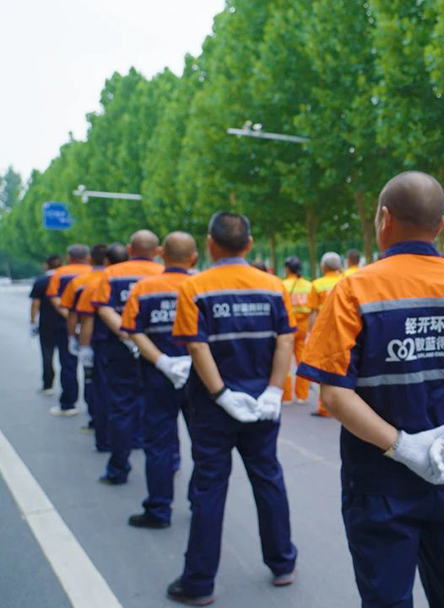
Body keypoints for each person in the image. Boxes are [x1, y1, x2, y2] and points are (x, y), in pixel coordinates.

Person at [298, 171, 444, 607]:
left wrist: (401, 446)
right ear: (441, 224)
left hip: (379, 481)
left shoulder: (353, 289)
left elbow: (334, 394)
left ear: (384, 219)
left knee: (386, 599)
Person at [168, 212, 297, 604]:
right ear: (250, 243)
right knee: (268, 477)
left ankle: (199, 583)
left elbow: (196, 345)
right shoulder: (275, 287)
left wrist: (221, 393)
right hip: (261, 403)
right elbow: (285, 341)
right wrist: (274, 391)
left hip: (212, 407)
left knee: (209, 486)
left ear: (209, 243)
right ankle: (282, 563)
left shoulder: (196, 288)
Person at [121, 232, 198, 529]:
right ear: (193, 257)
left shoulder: (144, 288)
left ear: (161, 254)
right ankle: (200, 502)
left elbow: (132, 330)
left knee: (158, 445)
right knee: (203, 445)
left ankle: (159, 509)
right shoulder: (201, 285)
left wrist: (162, 361)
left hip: (156, 378)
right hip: (198, 377)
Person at [84, 231, 164, 485]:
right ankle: (167, 464)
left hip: (119, 350)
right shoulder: (165, 275)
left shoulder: (110, 275)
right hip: (161, 352)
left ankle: (118, 468)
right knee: (162, 409)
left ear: (130, 248)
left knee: (122, 406)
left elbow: (103, 310)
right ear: (158, 251)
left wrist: (129, 336)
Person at [75, 244, 128, 452]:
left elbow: (87, 320)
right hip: (142, 347)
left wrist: (84, 347)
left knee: (106, 394)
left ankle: (106, 441)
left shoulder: (97, 283)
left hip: (106, 346)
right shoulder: (147, 279)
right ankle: (136, 439)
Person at [59, 244, 108, 436]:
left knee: (93, 381)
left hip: (94, 338)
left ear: (91, 259)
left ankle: (96, 420)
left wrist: (73, 337)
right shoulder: (119, 279)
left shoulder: (81, 282)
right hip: (129, 341)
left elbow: (75, 314)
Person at [44, 244, 93, 416]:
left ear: (69, 257)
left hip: (65, 326)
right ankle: (95, 412)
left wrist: (70, 316)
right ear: (88, 257)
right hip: (93, 325)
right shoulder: (95, 273)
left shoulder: (60, 273)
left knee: (68, 364)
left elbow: (55, 298)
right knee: (92, 368)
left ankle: (68, 404)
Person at [307, 251, 344, 417]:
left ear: (323, 266)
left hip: (325, 331)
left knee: (324, 369)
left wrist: (313, 332)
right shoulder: (347, 281)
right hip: (344, 330)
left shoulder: (317, 284)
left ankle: (324, 408)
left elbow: (313, 312)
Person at [29, 254, 63, 396]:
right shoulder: (66, 279)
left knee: (47, 353)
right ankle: (69, 387)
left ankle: (48, 384)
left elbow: (35, 304)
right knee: (67, 358)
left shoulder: (41, 281)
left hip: (46, 323)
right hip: (65, 322)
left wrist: (32, 322)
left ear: (46, 265)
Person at [281, 257, 313, 405]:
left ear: (287, 269)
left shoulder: (282, 285)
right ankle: (302, 395)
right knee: (302, 361)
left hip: (288, 327)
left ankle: (286, 396)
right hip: (304, 326)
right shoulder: (308, 285)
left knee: (285, 363)